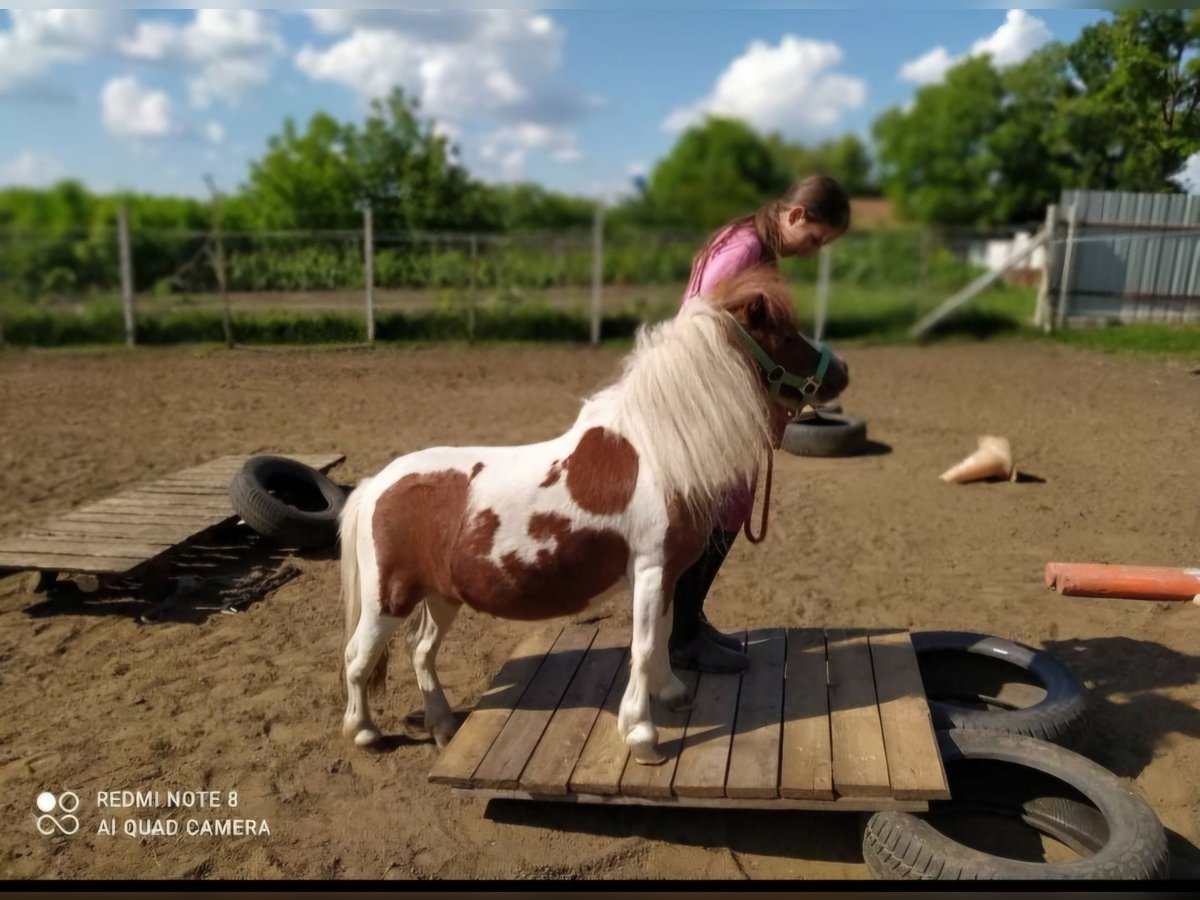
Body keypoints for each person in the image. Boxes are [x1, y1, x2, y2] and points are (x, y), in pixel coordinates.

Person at [669, 175, 852, 674]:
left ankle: (687, 619)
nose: (814, 252)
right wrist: (758, 400)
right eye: (815, 239)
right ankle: (679, 634)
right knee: (720, 505)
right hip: (707, 392)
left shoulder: (748, 240)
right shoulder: (746, 250)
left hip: (715, 390)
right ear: (796, 215)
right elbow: (703, 327)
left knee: (729, 502)